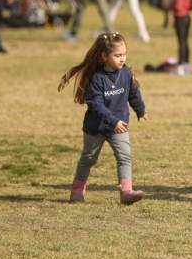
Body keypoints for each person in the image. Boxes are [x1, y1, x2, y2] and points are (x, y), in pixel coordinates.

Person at [58, 32, 147, 204]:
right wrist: (113, 121)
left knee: (125, 156)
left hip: (119, 127)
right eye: (117, 55)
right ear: (104, 56)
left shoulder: (126, 74)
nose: (122, 59)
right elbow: (96, 104)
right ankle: (77, 190)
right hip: (96, 128)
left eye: (124, 54)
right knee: (89, 158)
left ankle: (126, 192)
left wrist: (140, 110)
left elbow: (133, 92)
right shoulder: (97, 78)